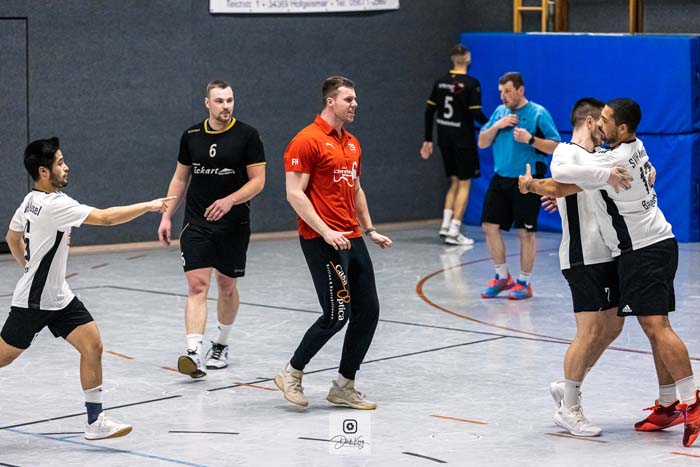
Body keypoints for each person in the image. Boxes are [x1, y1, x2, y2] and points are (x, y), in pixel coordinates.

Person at [535, 98, 699, 447]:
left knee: (650, 328)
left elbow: (568, 180)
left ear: (621, 128)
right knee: (631, 328)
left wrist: (535, 186)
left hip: (640, 251)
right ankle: (663, 404)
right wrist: (551, 192)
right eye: (600, 119)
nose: (602, 125)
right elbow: (569, 180)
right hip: (625, 249)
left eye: (607, 120)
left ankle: (688, 403)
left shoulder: (609, 159)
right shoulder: (621, 151)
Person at [2, 137, 174, 440]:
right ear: (43, 171)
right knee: (4, 356)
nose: (66, 167)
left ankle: (95, 422)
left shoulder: (30, 199)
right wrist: (148, 206)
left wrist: (27, 268)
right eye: (60, 162)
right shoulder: (56, 205)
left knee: (92, 345)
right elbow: (106, 218)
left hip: (59, 296)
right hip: (34, 301)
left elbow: (12, 237)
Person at [275, 75, 392, 410]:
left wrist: (369, 229)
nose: (355, 104)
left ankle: (343, 385)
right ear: (331, 102)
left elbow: (355, 189)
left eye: (354, 99)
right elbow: (294, 194)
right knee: (336, 314)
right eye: (348, 99)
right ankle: (291, 373)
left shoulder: (352, 143)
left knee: (368, 312)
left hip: (351, 237)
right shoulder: (306, 141)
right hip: (321, 239)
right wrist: (326, 231)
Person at [518, 98, 631, 436]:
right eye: (603, 123)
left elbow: (594, 188)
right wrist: (539, 186)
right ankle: (569, 408)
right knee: (589, 331)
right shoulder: (566, 152)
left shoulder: (600, 158)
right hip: (582, 257)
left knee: (613, 328)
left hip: (607, 255)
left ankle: (568, 385)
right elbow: (561, 179)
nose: (606, 130)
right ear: (591, 121)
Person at [158, 80, 266, 379]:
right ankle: (194, 353)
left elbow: (258, 181)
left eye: (229, 100)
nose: (225, 106)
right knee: (197, 286)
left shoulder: (248, 136)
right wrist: (166, 216)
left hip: (234, 225)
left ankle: (221, 344)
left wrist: (230, 200)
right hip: (197, 223)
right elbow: (180, 179)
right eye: (219, 101)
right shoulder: (191, 135)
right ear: (207, 103)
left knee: (227, 286)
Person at [477, 72, 560, 300]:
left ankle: (524, 282)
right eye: (501, 92)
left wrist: (530, 139)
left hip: (527, 181)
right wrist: (497, 126)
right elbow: (482, 142)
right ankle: (502, 276)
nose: (503, 97)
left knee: (525, 232)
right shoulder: (499, 112)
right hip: (501, 178)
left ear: (520, 90)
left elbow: (555, 146)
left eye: (508, 91)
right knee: (489, 226)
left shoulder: (538, 113)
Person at [421, 44, 488, 246]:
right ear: (467, 58)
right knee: (465, 183)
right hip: (463, 140)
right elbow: (476, 113)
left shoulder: (441, 82)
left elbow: (429, 111)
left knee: (455, 181)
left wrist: (428, 139)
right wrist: (494, 125)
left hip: (444, 139)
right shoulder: (471, 84)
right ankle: (455, 230)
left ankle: (445, 224)